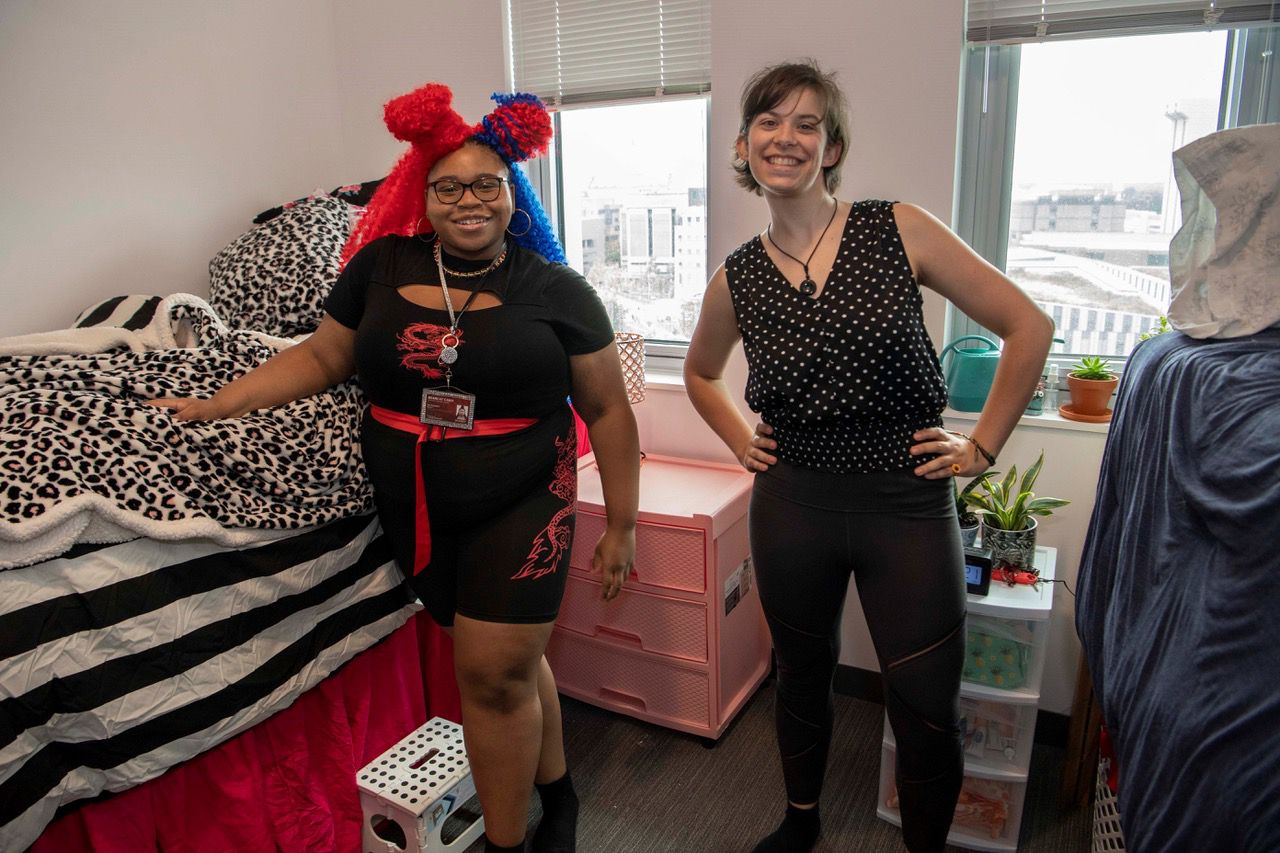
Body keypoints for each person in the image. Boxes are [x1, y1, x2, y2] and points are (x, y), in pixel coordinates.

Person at [152, 83, 640, 853]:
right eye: (450, 185)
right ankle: (561, 793)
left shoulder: (559, 292)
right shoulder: (379, 266)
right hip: (412, 498)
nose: (469, 199)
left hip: (524, 496)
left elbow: (610, 411)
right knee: (506, 666)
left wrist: (621, 524)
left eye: (488, 183)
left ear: (514, 193)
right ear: (424, 192)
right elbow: (321, 356)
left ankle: (511, 844)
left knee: (488, 674)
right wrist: (218, 404)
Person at [683, 61, 1052, 853]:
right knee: (802, 678)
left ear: (833, 146)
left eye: (807, 123)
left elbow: (1030, 325)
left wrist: (982, 446)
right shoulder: (737, 277)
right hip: (794, 504)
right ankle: (802, 819)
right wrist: (738, 437)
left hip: (905, 502)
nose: (787, 136)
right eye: (769, 122)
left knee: (924, 704)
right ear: (744, 146)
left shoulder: (898, 228)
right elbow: (700, 372)